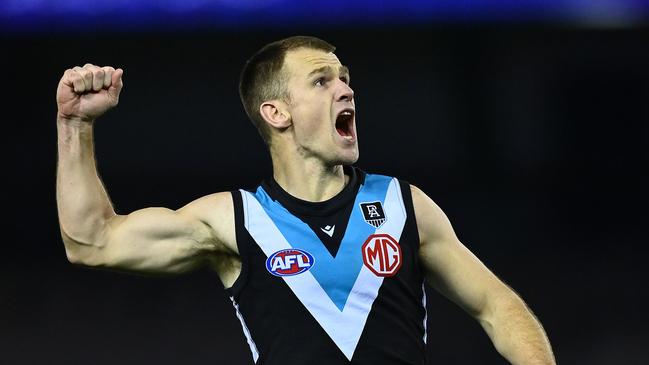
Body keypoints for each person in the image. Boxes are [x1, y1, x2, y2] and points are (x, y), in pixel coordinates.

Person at [55, 36, 555, 364]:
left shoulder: (404, 205)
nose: (346, 90)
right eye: (322, 80)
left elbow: (496, 304)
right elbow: (92, 242)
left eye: (346, 79)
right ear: (276, 113)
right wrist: (75, 125)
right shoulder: (234, 220)